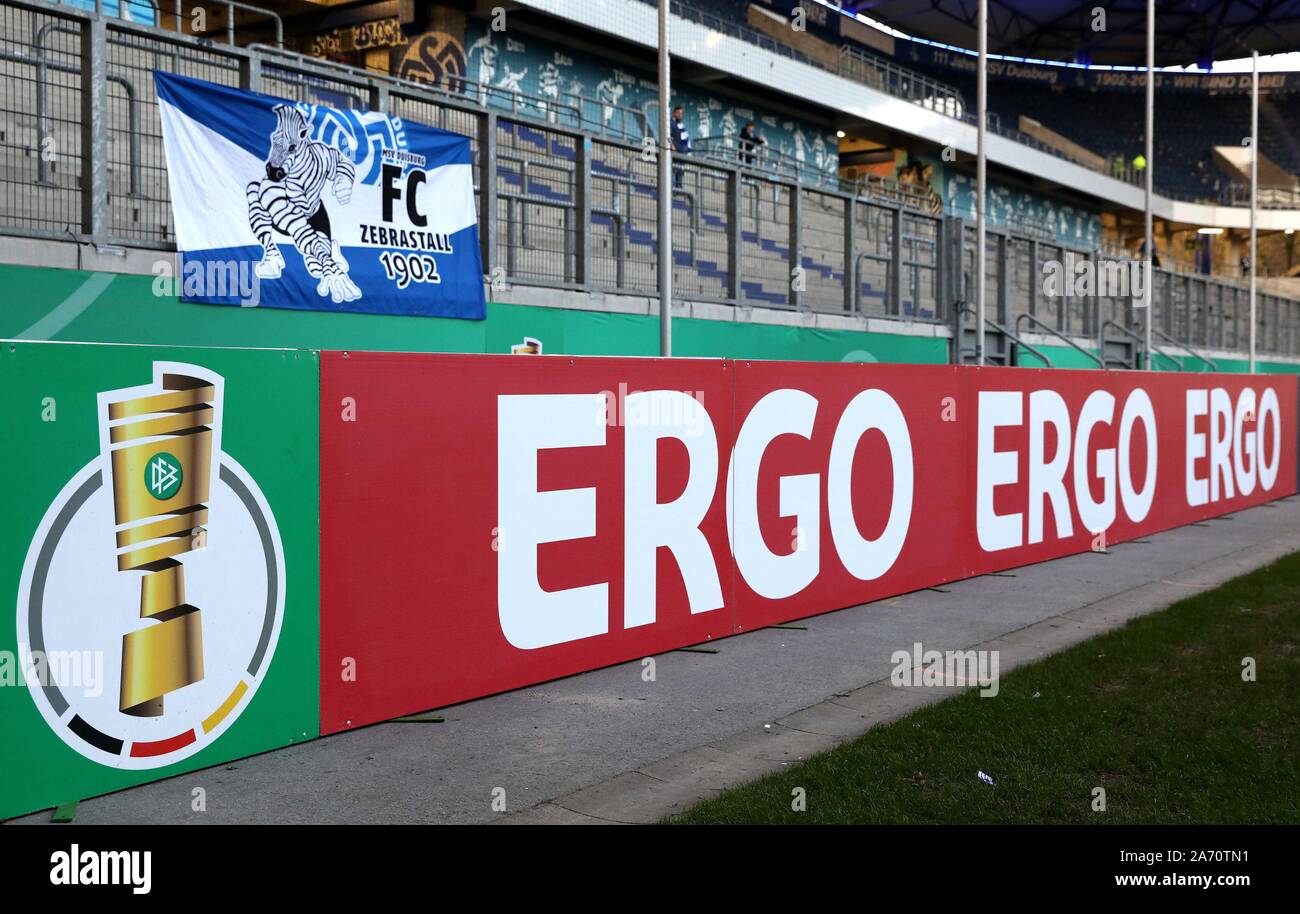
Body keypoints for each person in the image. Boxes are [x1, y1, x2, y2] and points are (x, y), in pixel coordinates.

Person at [670, 106, 690, 189]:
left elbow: (686, 139)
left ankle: (679, 188)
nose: (680, 115)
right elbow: (666, 136)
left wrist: (688, 151)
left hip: (683, 154)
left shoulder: (681, 126)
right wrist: (671, 145)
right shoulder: (671, 123)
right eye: (678, 113)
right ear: (674, 113)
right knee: (674, 171)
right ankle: (672, 188)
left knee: (680, 173)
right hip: (676, 154)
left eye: (681, 113)